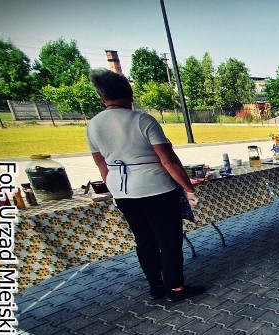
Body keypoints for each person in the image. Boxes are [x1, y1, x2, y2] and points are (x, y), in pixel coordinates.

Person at [86, 69, 205, 303]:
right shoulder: (142, 120)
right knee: (169, 240)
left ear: (102, 97)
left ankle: (156, 286)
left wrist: (115, 190)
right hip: (155, 188)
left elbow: (102, 165)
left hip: (122, 190)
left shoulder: (93, 125)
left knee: (144, 240)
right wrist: (188, 189)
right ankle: (176, 288)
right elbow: (168, 161)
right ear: (129, 95)